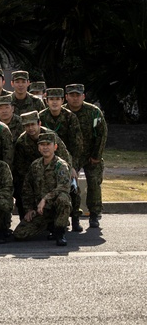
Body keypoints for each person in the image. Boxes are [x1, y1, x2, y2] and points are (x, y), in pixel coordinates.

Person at [13, 133, 72, 246]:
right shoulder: (35, 165)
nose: (45, 147)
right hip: (41, 211)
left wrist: (45, 199)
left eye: (48, 144)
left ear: (55, 147)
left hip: (54, 206)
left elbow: (64, 187)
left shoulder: (61, 165)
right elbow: (27, 189)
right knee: (19, 234)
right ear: (39, 148)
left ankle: (59, 233)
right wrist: (29, 209)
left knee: (63, 199)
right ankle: (49, 224)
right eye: (42, 145)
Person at [39, 88, 84, 231]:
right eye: (51, 99)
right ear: (46, 101)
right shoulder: (42, 117)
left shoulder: (70, 117)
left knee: (73, 186)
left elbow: (77, 145)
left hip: (67, 158)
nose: (54, 102)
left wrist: (73, 167)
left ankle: (75, 217)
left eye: (57, 99)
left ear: (62, 101)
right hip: (46, 157)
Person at [65, 83, 107, 229]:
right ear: (67, 97)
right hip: (72, 155)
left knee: (94, 183)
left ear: (83, 96)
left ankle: (94, 215)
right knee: (72, 185)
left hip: (91, 154)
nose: (75, 99)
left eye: (78, 95)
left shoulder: (93, 112)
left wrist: (96, 155)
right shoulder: (63, 112)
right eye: (72, 95)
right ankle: (74, 215)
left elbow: (101, 134)